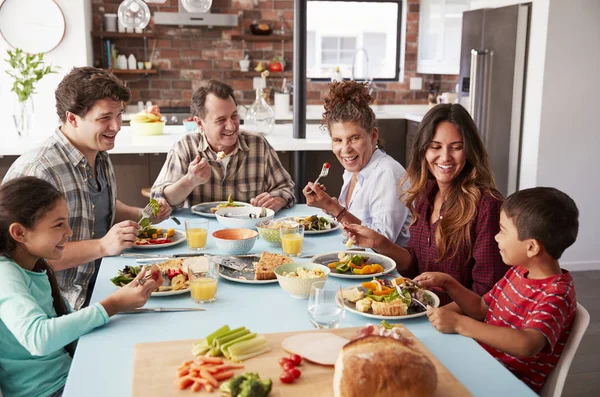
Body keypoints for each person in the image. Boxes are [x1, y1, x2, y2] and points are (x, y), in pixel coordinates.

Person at [2, 67, 171, 310]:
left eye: (119, 115)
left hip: (105, 276)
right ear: (72, 118)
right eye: (104, 118)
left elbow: (98, 206)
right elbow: (27, 257)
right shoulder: (39, 170)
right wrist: (103, 246)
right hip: (65, 302)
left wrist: (142, 214)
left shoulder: (98, 152)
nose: (116, 126)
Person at [0, 177, 157, 397]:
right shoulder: (5, 275)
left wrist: (122, 302)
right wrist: (112, 304)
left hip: (70, 373)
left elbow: (67, 323)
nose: (69, 232)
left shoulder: (34, 265)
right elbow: (39, 339)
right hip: (50, 390)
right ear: (19, 233)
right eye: (58, 225)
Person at [415, 187, 579, 393]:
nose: (495, 238)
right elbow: (481, 307)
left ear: (531, 248)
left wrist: (460, 324)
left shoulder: (556, 294)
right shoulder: (518, 271)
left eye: (502, 231)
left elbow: (527, 344)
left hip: (504, 381)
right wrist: (449, 283)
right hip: (480, 361)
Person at [344, 104, 507, 303]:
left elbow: (488, 295)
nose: (445, 157)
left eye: (456, 147)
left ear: (469, 151)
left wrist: (437, 315)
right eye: (435, 147)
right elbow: (414, 264)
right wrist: (378, 242)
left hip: (458, 324)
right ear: (423, 150)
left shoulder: (487, 206)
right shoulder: (425, 194)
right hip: (420, 308)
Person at [151, 79, 295, 212]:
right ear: (200, 123)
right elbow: (158, 199)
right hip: (201, 234)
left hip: (248, 232)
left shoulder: (257, 144)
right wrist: (189, 181)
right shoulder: (186, 146)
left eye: (234, 116)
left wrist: (276, 201)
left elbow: (286, 187)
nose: (231, 126)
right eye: (221, 120)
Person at [302, 81, 411, 246]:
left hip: (387, 268)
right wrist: (328, 205)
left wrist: (335, 208)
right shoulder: (353, 169)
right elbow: (355, 222)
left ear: (373, 136)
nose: (345, 149)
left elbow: (383, 243)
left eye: (354, 138)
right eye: (338, 140)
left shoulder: (388, 173)